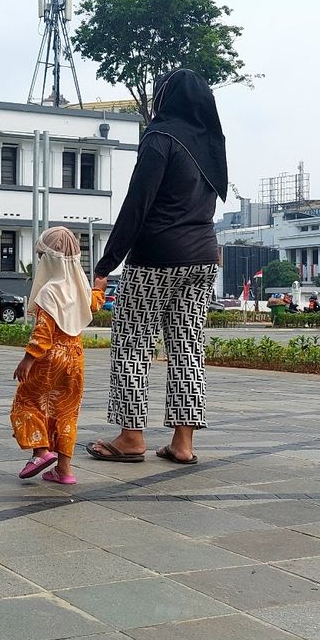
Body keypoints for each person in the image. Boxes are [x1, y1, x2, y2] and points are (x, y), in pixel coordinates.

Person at [87, 69, 227, 466]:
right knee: (187, 348)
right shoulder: (213, 143)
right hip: (202, 257)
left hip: (156, 257)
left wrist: (106, 263)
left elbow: (137, 203)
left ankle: (131, 437)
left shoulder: (160, 137)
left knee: (133, 344)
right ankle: (183, 444)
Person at [11, 227, 105, 485]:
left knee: (28, 401)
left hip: (48, 359)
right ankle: (64, 470)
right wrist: (99, 287)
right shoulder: (80, 288)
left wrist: (27, 360)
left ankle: (40, 452)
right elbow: (95, 303)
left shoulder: (50, 291)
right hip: (74, 359)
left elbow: (43, 333)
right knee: (66, 411)